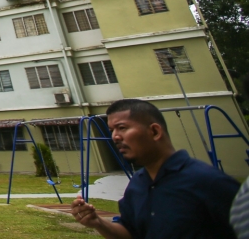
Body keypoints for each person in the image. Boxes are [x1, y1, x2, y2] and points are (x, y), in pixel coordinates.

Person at [70, 98, 240, 239]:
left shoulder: (208, 181)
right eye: (112, 130)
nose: (115, 137)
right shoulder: (137, 184)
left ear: (154, 131)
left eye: (122, 128)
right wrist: (97, 222)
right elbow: (130, 233)